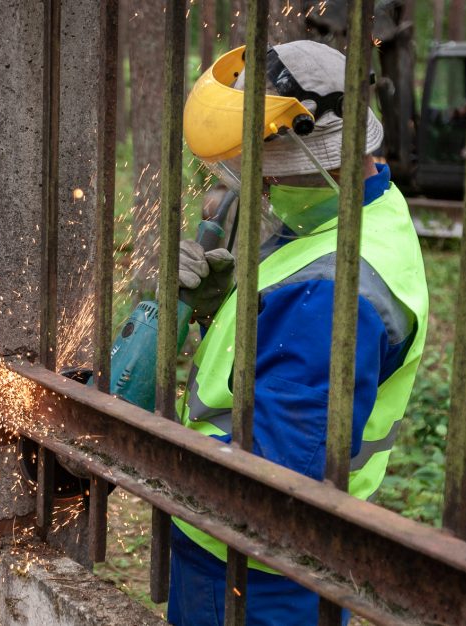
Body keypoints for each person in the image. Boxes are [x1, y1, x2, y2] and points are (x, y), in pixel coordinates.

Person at [169, 40, 429, 625]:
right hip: (247, 557)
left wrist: (145, 433)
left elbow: (273, 480)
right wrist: (223, 307)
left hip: (253, 572)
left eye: (263, 172)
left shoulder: (332, 294)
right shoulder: (360, 210)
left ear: (315, 156)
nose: (256, 190)